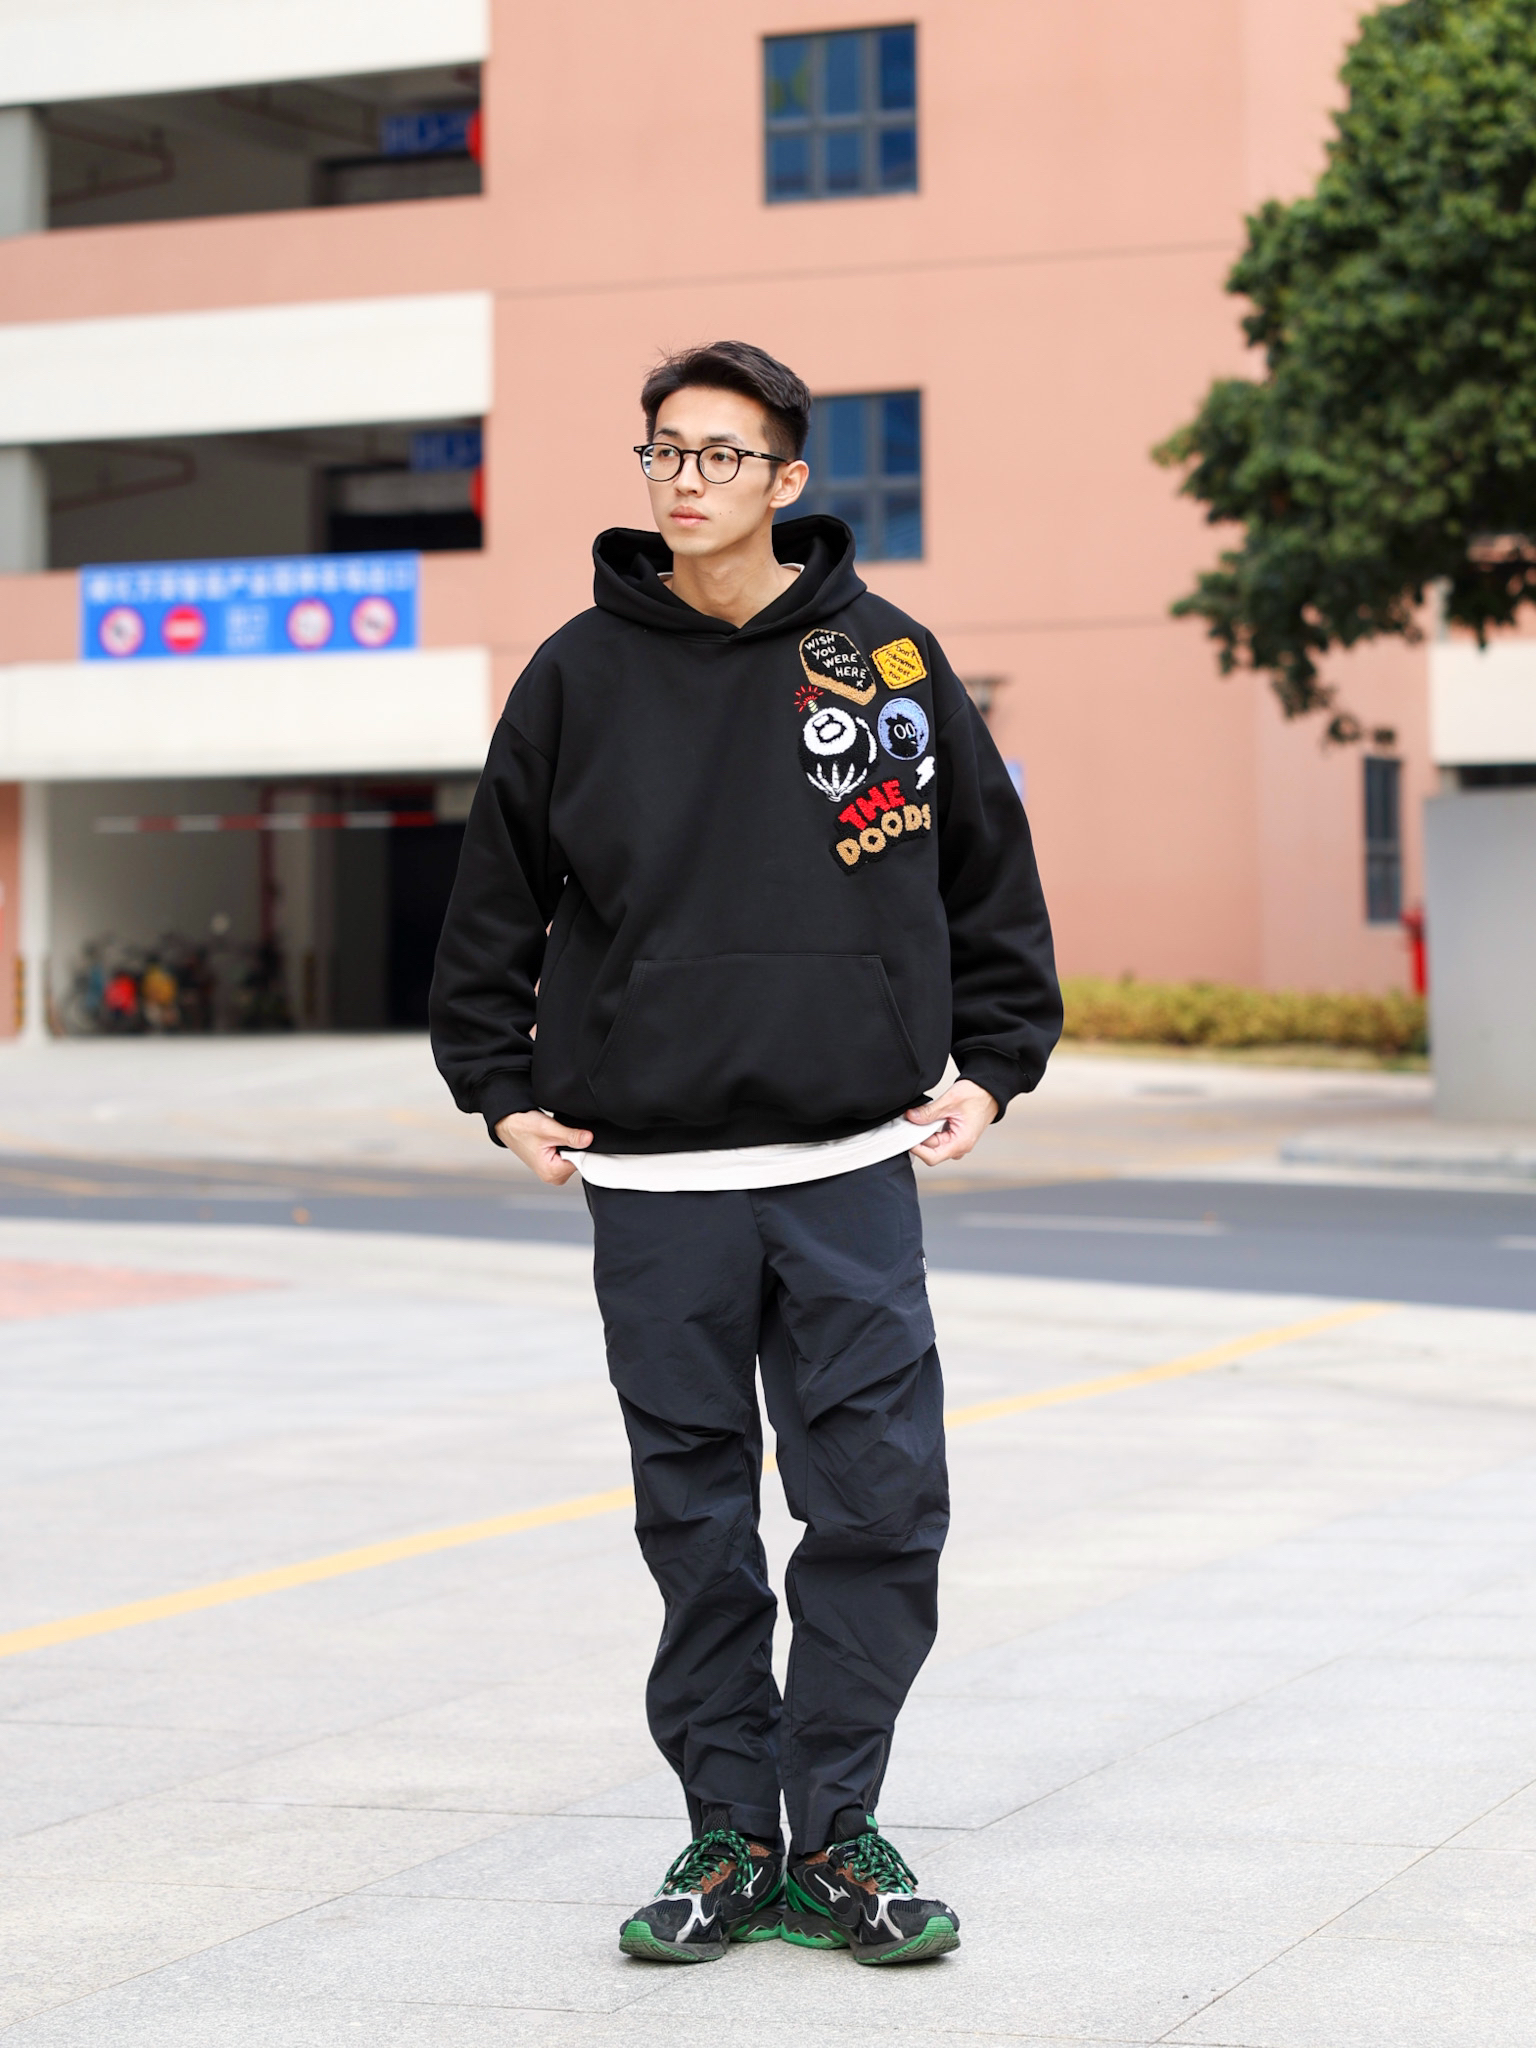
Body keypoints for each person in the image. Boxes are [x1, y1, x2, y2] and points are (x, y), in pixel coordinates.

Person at [430, 340, 1061, 1967]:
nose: (689, 478)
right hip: (654, 1182)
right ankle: (728, 1834)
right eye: (665, 450)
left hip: (849, 1160)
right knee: (697, 1525)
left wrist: (998, 1063)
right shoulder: (577, 674)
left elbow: (985, 871)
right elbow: (494, 898)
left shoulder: (884, 659)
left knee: (880, 1506)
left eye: (723, 454)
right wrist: (495, 1085)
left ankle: (836, 1837)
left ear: (787, 479)